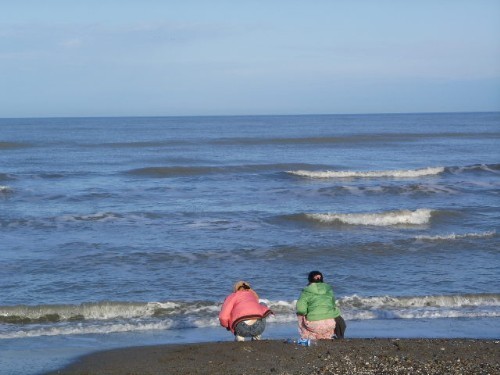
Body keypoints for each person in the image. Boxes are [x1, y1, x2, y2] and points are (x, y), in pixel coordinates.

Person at [296, 271, 346, 340]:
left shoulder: (306, 291)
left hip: (313, 325)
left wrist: (307, 313)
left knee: (300, 314)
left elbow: (301, 310)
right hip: (330, 324)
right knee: (335, 313)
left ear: (309, 280)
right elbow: (333, 305)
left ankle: (307, 335)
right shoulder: (329, 289)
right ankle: (337, 336)